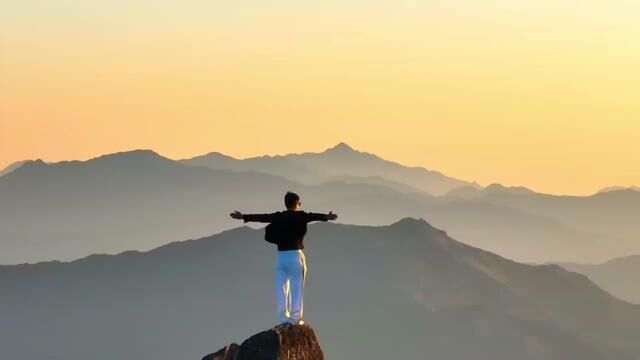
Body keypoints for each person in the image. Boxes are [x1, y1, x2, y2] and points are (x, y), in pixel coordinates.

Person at [230, 192, 338, 326]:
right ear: (297, 203)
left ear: (285, 203)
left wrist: (243, 217)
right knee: (296, 288)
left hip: (281, 257)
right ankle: (295, 319)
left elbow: (263, 217)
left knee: (281, 288)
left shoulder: (279, 216)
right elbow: (313, 216)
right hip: (295, 256)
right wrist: (326, 217)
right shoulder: (301, 216)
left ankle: (283, 318)